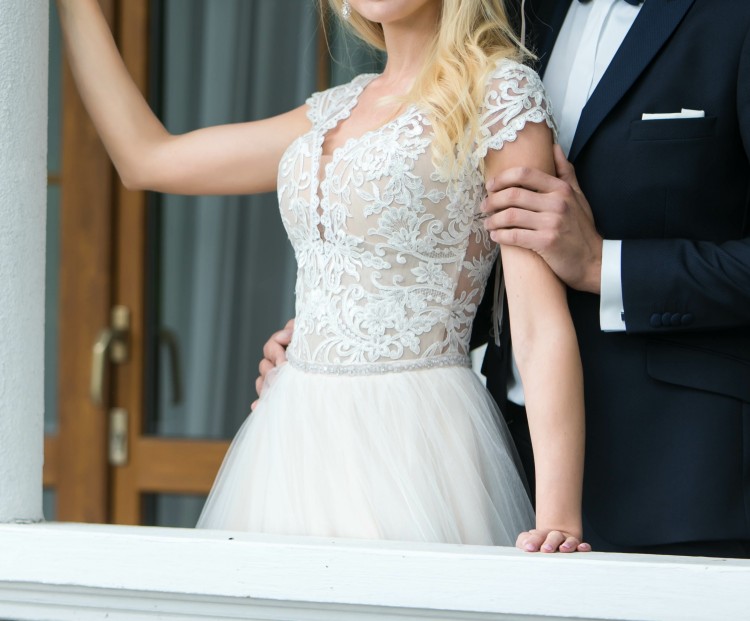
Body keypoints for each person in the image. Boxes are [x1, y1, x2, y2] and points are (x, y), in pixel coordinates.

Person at [57, 0, 590, 552]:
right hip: (291, 435)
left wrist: (558, 522)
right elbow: (146, 159)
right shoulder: (333, 109)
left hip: (415, 437)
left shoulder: (500, 96)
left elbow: (536, 327)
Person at [261, 0, 750, 558]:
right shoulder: (516, 16)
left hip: (685, 478)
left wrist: (603, 265)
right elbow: (455, 226)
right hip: (495, 462)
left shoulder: (733, 18)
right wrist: (344, 330)